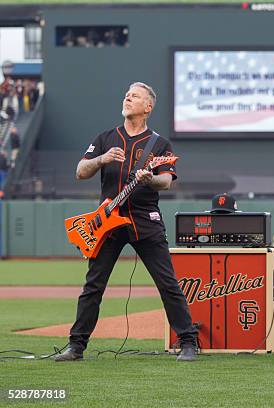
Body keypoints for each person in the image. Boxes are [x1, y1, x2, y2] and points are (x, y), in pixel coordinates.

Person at [55, 82, 198, 362]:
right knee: (93, 286)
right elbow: (80, 172)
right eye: (127, 94)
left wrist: (149, 178)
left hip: (145, 220)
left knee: (167, 283)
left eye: (135, 96)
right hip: (107, 222)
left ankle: (188, 341)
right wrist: (102, 159)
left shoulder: (159, 144)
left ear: (148, 107)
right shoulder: (106, 138)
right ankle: (76, 346)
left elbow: (166, 182)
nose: (127, 98)